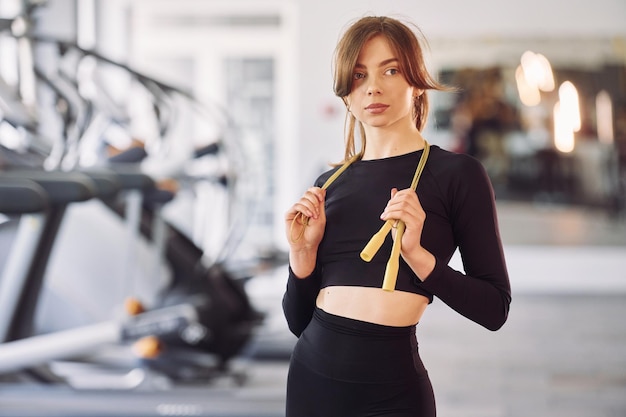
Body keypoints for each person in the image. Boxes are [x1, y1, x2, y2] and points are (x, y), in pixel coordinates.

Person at [282, 15, 511, 417]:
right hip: (310, 381)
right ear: (346, 95)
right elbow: (298, 321)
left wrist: (419, 256)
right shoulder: (327, 183)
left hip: (393, 394)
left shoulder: (458, 175)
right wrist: (302, 256)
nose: (373, 86)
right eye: (358, 75)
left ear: (417, 82)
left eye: (391, 70)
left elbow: (494, 310)